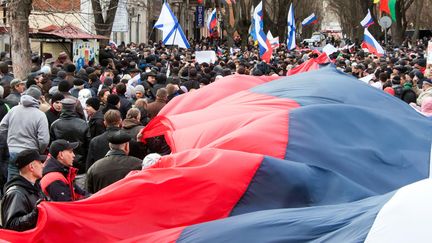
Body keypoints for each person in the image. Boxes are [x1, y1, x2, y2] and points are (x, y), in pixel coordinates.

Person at [0, 86, 49, 181]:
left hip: (12, 151)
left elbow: (2, 128)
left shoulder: (13, 110)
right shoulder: (40, 115)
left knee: (12, 182)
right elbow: (44, 140)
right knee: (29, 182)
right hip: (30, 153)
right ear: (38, 98)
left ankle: (10, 195)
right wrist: (39, 150)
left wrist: (8, 143)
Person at [1, 150, 46, 231]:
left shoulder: (35, 187)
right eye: (40, 163)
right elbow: (11, 226)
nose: (43, 166)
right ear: (31, 167)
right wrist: (34, 215)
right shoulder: (16, 193)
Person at [50, 98, 90, 173]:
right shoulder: (83, 124)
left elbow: (52, 146)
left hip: (61, 163)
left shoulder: (55, 125)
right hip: (80, 163)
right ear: (74, 108)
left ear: (62, 107)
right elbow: (88, 146)